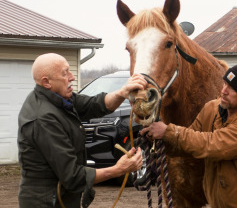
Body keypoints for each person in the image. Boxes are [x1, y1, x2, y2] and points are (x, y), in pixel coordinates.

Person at [140, 62, 237, 208]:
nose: (223, 91)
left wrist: (168, 131)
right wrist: (158, 138)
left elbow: (213, 145)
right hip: (222, 202)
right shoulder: (212, 109)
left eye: (232, 88)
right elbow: (188, 144)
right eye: (225, 84)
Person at [18, 53, 146, 208]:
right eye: (65, 73)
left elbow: (95, 104)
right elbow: (73, 176)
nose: (72, 77)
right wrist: (119, 169)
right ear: (46, 82)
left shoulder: (61, 99)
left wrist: (122, 92)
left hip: (63, 198)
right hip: (47, 202)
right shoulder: (43, 119)